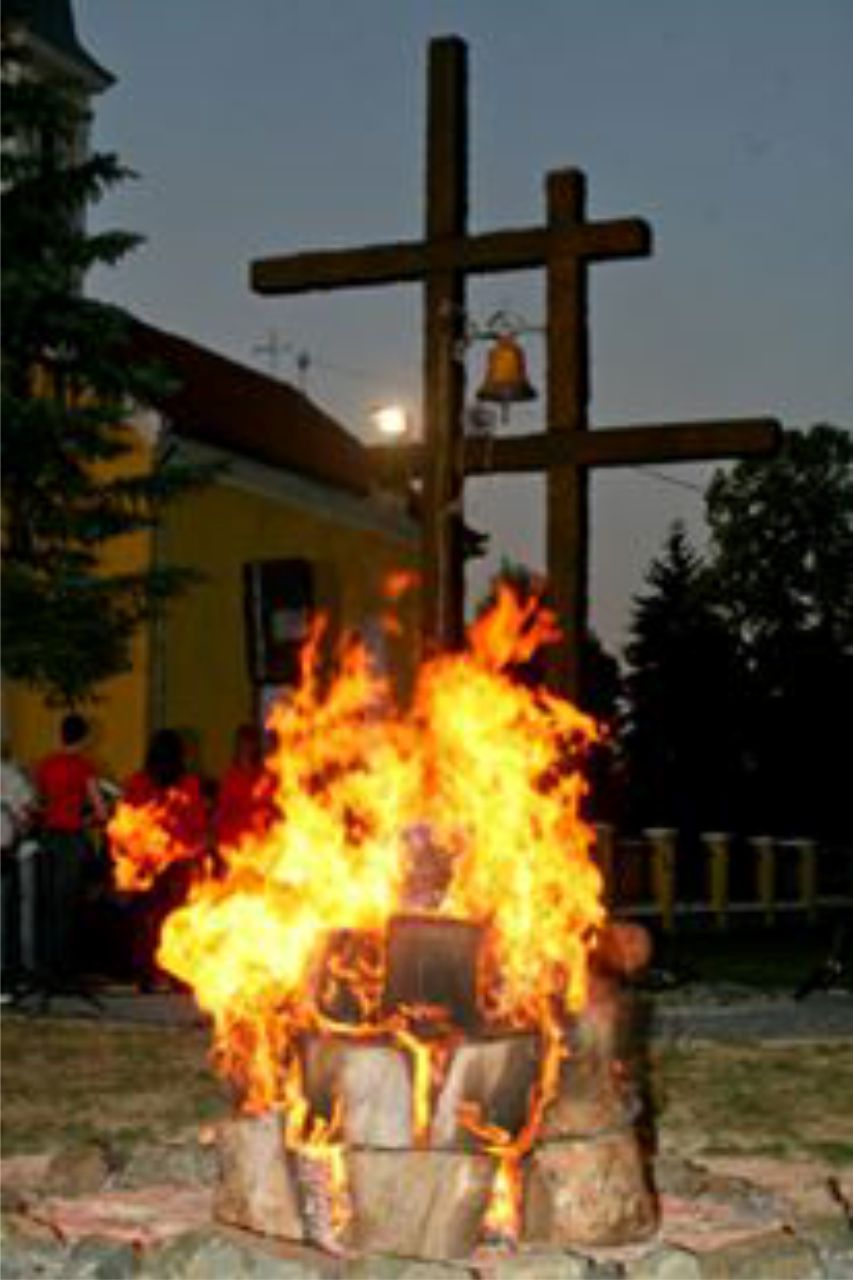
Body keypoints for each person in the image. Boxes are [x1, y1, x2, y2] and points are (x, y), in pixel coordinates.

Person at [119, 729, 208, 990]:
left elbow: (126, 820)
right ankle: (176, 974)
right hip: (177, 859)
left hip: (145, 859)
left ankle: (145, 974)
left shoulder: (138, 781)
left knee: (144, 919)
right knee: (176, 916)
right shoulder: (188, 784)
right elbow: (197, 822)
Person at [34, 714, 107, 982]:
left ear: (61, 734)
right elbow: (101, 811)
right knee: (68, 905)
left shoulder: (46, 764)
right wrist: (85, 819)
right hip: (72, 839)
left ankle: (46, 967)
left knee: (49, 903)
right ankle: (64, 971)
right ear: (84, 737)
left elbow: (38, 804)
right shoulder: (84, 767)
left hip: (48, 838)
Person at [213, 724, 278, 851]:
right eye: (242, 744)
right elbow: (222, 808)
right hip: (236, 838)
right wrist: (213, 829)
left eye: (249, 743)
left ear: (255, 746)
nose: (246, 747)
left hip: (262, 837)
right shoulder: (231, 776)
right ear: (237, 747)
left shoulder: (265, 775)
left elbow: (272, 804)